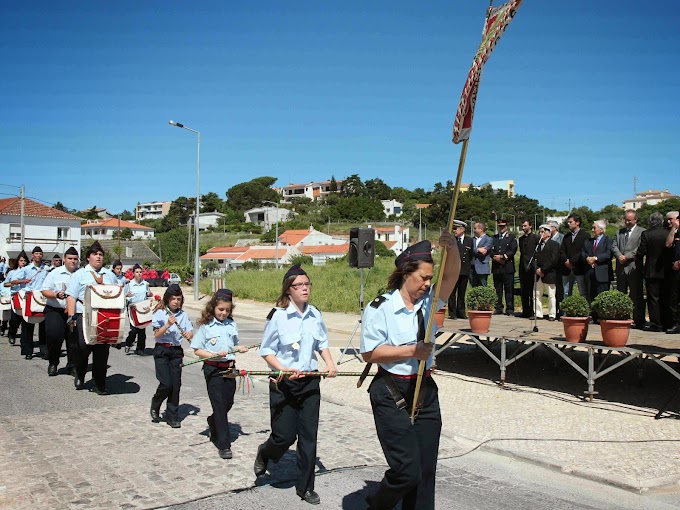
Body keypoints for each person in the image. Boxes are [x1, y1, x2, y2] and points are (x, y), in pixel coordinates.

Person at [359, 234, 460, 510]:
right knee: (407, 471)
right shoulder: (381, 308)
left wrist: (452, 249)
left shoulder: (429, 302)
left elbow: (450, 278)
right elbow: (369, 353)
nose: (428, 283)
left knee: (426, 472)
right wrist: (411, 351)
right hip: (391, 390)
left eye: (430, 278)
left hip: (425, 389)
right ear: (406, 274)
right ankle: (377, 504)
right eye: (423, 278)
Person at [254, 264, 337, 506]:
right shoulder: (277, 316)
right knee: (283, 437)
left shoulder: (315, 314)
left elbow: (322, 343)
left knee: (309, 437)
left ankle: (305, 487)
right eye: (298, 285)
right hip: (283, 384)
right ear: (288, 290)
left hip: (310, 382)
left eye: (307, 284)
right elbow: (266, 351)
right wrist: (283, 370)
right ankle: (265, 452)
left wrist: (330, 363)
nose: (304, 288)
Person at [190, 289, 248, 459]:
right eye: (220, 310)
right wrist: (213, 355)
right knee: (219, 405)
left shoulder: (231, 324)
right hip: (213, 369)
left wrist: (239, 349)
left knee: (228, 402)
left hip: (229, 369)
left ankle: (213, 421)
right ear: (213, 307)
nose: (223, 313)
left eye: (227, 310)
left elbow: (233, 345)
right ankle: (223, 444)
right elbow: (197, 350)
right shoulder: (205, 326)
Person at [66, 241, 118, 393]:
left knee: (102, 351)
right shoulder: (79, 275)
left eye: (101, 254)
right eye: (95, 254)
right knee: (82, 347)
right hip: (84, 314)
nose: (98, 257)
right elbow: (71, 296)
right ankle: (80, 374)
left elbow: (117, 295)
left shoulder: (110, 275)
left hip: (105, 316)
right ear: (88, 258)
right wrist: (71, 316)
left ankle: (99, 383)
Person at [150, 284, 193, 428]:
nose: (176, 301)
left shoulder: (183, 315)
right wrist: (167, 324)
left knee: (175, 385)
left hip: (176, 352)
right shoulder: (160, 313)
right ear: (167, 299)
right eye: (173, 298)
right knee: (166, 383)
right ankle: (156, 403)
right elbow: (156, 335)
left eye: (178, 299)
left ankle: (172, 416)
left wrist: (189, 334)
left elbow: (190, 331)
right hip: (162, 350)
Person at [41, 247, 80, 376]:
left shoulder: (82, 274)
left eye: (75, 259)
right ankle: (53, 362)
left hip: (74, 310)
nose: (72, 261)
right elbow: (45, 290)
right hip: (55, 309)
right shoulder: (55, 273)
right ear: (64, 259)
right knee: (54, 336)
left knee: (74, 339)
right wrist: (56, 294)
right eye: (70, 258)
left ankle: (72, 365)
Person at [612, 210, 646, 329]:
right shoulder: (619, 232)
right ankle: (623, 316)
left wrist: (627, 256)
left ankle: (638, 319)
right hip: (621, 267)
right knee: (621, 293)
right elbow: (614, 245)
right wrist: (619, 255)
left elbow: (640, 248)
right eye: (625, 220)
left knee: (636, 294)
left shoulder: (642, 232)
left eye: (629, 220)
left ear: (635, 220)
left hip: (633, 267)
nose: (627, 222)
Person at [637, 212, 667, 332]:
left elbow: (641, 252)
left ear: (651, 221)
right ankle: (666, 322)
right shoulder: (667, 232)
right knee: (665, 296)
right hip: (666, 270)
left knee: (653, 298)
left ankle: (656, 323)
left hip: (651, 270)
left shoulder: (646, 234)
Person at [16, 246, 48, 359]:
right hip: (29, 296)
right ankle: (27, 351)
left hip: (42, 297)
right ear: (32, 255)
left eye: (40, 253)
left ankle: (44, 350)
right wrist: (24, 280)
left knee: (44, 325)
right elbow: (14, 281)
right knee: (28, 324)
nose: (38, 255)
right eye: (36, 253)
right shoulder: (26, 269)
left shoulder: (46, 269)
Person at [582, 221, 613, 311]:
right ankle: (593, 315)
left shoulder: (608, 240)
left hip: (602, 274)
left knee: (602, 296)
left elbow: (608, 254)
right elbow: (582, 252)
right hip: (590, 273)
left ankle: (602, 315)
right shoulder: (588, 241)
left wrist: (595, 258)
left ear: (601, 230)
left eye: (594, 228)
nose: (592, 230)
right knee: (591, 296)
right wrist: (588, 259)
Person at [123, 264, 153, 355]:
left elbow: (148, 294)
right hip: (133, 309)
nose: (139, 274)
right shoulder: (129, 284)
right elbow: (124, 296)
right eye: (137, 272)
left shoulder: (145, 284)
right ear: (133, 273)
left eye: (140, 272)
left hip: (142, 308)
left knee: (142, 330)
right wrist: (127, 296)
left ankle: (140, 349)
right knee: (134, 330)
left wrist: (150, 294)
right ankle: (128, 343)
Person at [447, 219, 473, 319]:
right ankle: (452, 313)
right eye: (453, 228)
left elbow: (470, 255)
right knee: (452, 293)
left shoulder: (469, 240)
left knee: (462, 293)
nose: (454, 231)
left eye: (456, 229)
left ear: (462, 229)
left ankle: (461, 312)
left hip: (464, 270)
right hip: (453, 270)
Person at [534, 225, 561, 320]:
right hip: (538, 274)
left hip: (549, 273)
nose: (540, 234)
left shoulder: (554, 244)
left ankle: (552, 314)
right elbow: (534, 258)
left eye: (542, 232)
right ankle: (538, 313)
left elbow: (554, 260)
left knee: (551, 295)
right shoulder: (538, 245)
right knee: (537, 294)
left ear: (549, 233)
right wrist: (537, 269)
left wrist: (543, 269)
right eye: (539, 232)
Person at [491, 219, 518, 315]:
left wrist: (503, 257)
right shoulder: (494, 238)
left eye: (503, 226)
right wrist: (495, 257)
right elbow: (491, 249)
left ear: (506, 226)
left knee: (508, 289)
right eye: (500, 226)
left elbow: (512, 250)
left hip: (507, 267)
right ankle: (498, 307)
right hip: (497, 267)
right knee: (498, 288)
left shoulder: (511, 237)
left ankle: (509, 308)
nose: (501, 228)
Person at [561, 213, 589, 299]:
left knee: (583, 292)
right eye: (568, 222)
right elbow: (562, 250)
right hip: (566, 269)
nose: (568, 224)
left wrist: (572, 261)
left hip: (579, 268)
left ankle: (585, 311)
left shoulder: (585, 235)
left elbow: (583, 251)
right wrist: (566, 261)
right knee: (566, 292)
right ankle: (567, 312)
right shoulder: (566, 236)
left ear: (577, 223)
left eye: (570, 222)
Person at [3, 252, 29, 346]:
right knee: (15, 319)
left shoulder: (29, 271)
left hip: (26, 297)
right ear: (18, 262)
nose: (23, 262)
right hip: (16, 296)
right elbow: (5, 284)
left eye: (25, 260)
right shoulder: (12, 272)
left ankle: (24, 341)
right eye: (21, 260)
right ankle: (11, 334)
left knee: (25, 320)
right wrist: (14, 283)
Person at [518, 219, 540, 318]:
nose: (523, 228)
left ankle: (532, 311)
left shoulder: (536, 238)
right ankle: (525, 310)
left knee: (532, 291)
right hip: (523, 267)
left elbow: (537, 253)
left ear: (530, 226)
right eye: (522, 226)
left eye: (525, 226)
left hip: (532, 267)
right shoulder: (521, 239)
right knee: (524, 290)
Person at [664, 211, 680, 333]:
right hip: (674, 270)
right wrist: (674, 228)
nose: (669, 221)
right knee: (674, 298)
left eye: (671, 219)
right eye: (668, 220)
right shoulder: (673, 231)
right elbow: (668, 244)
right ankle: (675, 323)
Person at [470, 222, 492, 287]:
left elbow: (484, 252)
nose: (473, 230)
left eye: (475, 228)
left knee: (483, 287)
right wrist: (478, 249)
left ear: (481, 229)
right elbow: (469, 249)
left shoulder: (488, 239)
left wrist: (475, 250)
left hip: (482, 267)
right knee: (473, 288)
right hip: (472, 267)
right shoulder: (472, 239)